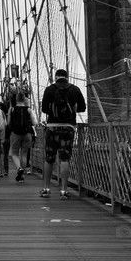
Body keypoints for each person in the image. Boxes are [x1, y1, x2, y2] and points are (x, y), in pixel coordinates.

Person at [39, 68, 86, 199]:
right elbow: (82, 108)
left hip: (52, 128)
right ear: (67, 77)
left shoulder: (49, 89)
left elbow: (44, 109)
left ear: (56, 77)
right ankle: (64, 191)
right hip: (68, 128)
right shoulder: (75, 89)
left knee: (49, 159)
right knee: (64, 159)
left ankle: (46, 189)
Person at [7, 91, 38, 182]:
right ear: (24, 99)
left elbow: (8, 123)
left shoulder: (12, 109)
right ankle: (22, 176)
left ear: (16, 99)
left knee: (14, 153)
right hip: (27, 133)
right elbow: (34, 122)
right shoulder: (29, 109)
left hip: (15, 133)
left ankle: (19, 168)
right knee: (24, 153)